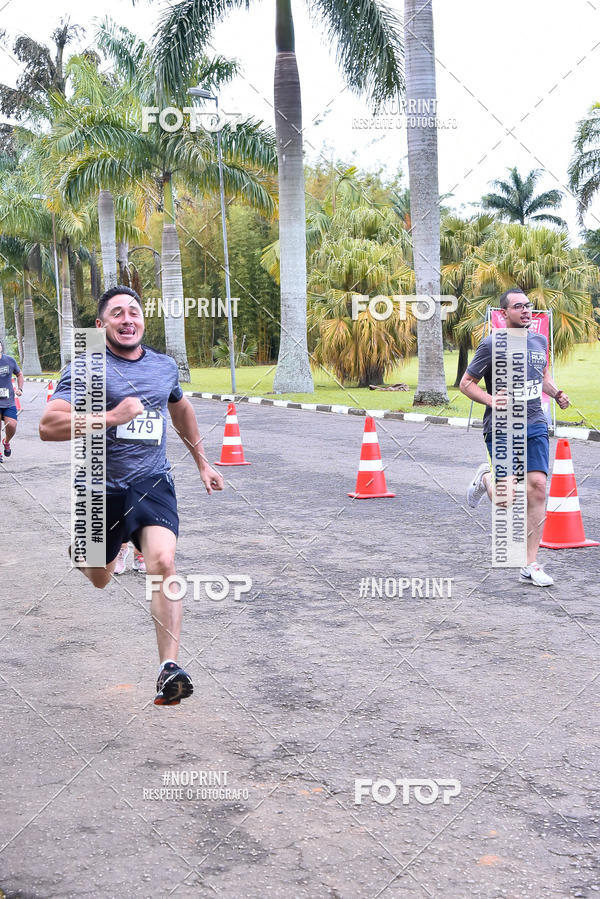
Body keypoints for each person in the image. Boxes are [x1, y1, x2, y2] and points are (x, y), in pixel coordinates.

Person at [39, 285, 224, 704]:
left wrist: (202, 462)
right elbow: (49, 426)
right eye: (117, 313)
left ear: (143, 320)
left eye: (134, 312)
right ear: (101, 324)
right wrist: (112, 416)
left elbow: (180, 408)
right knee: (100, 578)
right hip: (99, 486)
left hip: (151, 482)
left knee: (163, 561)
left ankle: (168, 668)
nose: (127, 319)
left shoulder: (163, 367)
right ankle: (84, 552)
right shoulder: (86, 367)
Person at [460, 288, 570, 587]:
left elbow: (542, 377)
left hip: (535, 423)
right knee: (506, 498)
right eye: (518, 306)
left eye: (528, 305)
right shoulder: (491, 344)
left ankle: (530, 563)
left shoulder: (539, 340)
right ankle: (485, 478)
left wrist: (556, 393)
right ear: (504, 313)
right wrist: (490, 400)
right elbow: (466, 383)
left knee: (537, 489)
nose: (525, 310)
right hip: (501, 426)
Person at [0, 338, 23, 462]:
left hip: (8, 401)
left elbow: (19, 374)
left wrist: (20, 388)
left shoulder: (9, 360)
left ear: (1, 347)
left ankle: (6, 441)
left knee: (12, 425)